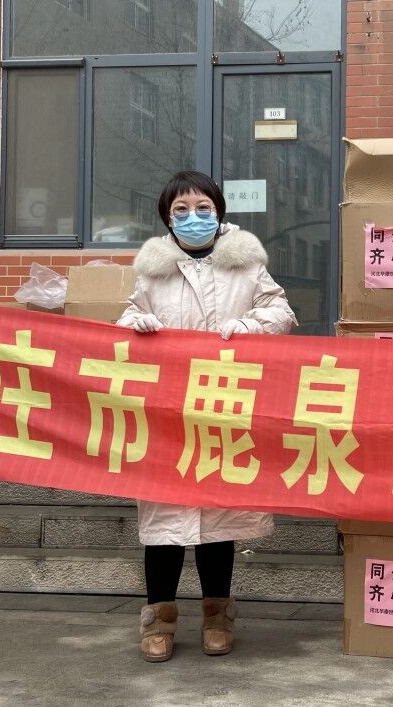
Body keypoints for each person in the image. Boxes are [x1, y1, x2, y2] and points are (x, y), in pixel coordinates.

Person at [116, 170, 297, 662]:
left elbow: (281, 312)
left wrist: (249, 325)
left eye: (202, 208)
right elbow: (126, 320)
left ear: (218, 212)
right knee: (164, 524)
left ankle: (218, 617)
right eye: (181, 210)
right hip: (168, 413)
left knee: (219, 521)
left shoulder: (246, 264)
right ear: (166, 218)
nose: (192, 217)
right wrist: (136, 324)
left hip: (224, 409)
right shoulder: (153, 271)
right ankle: (159, 620)